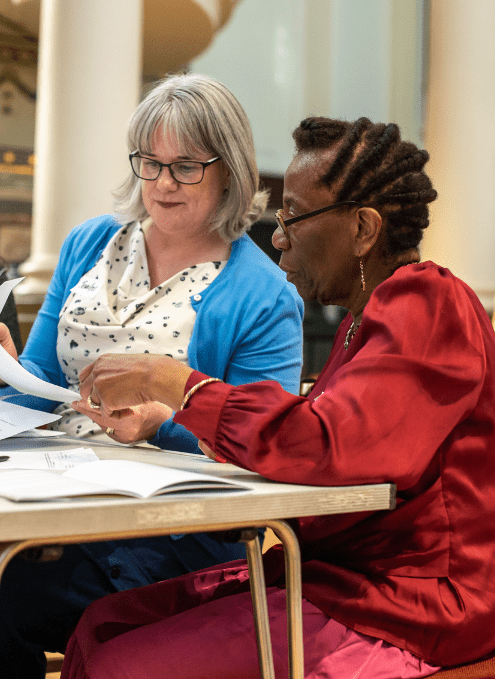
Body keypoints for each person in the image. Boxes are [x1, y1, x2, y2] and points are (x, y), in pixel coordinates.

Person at [63, 116, 495, 679]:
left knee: (124, 665)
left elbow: (331, 443)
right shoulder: (361, 324)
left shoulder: (430, 301)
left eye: (294, 215)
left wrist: (176, 384)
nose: (278, 234)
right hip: (336, 574)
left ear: (363, 229)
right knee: (102, 623)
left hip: (410, 601)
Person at [0, 73, 303, 678]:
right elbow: (36, 376)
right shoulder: (90, 244)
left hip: (162, 537)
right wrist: (6, 366)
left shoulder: (263, 294)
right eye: (150, 162)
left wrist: (161, 424)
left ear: (230, 170)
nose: (162, 183)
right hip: (52, 498)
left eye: (186, 166)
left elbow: (266, 443)